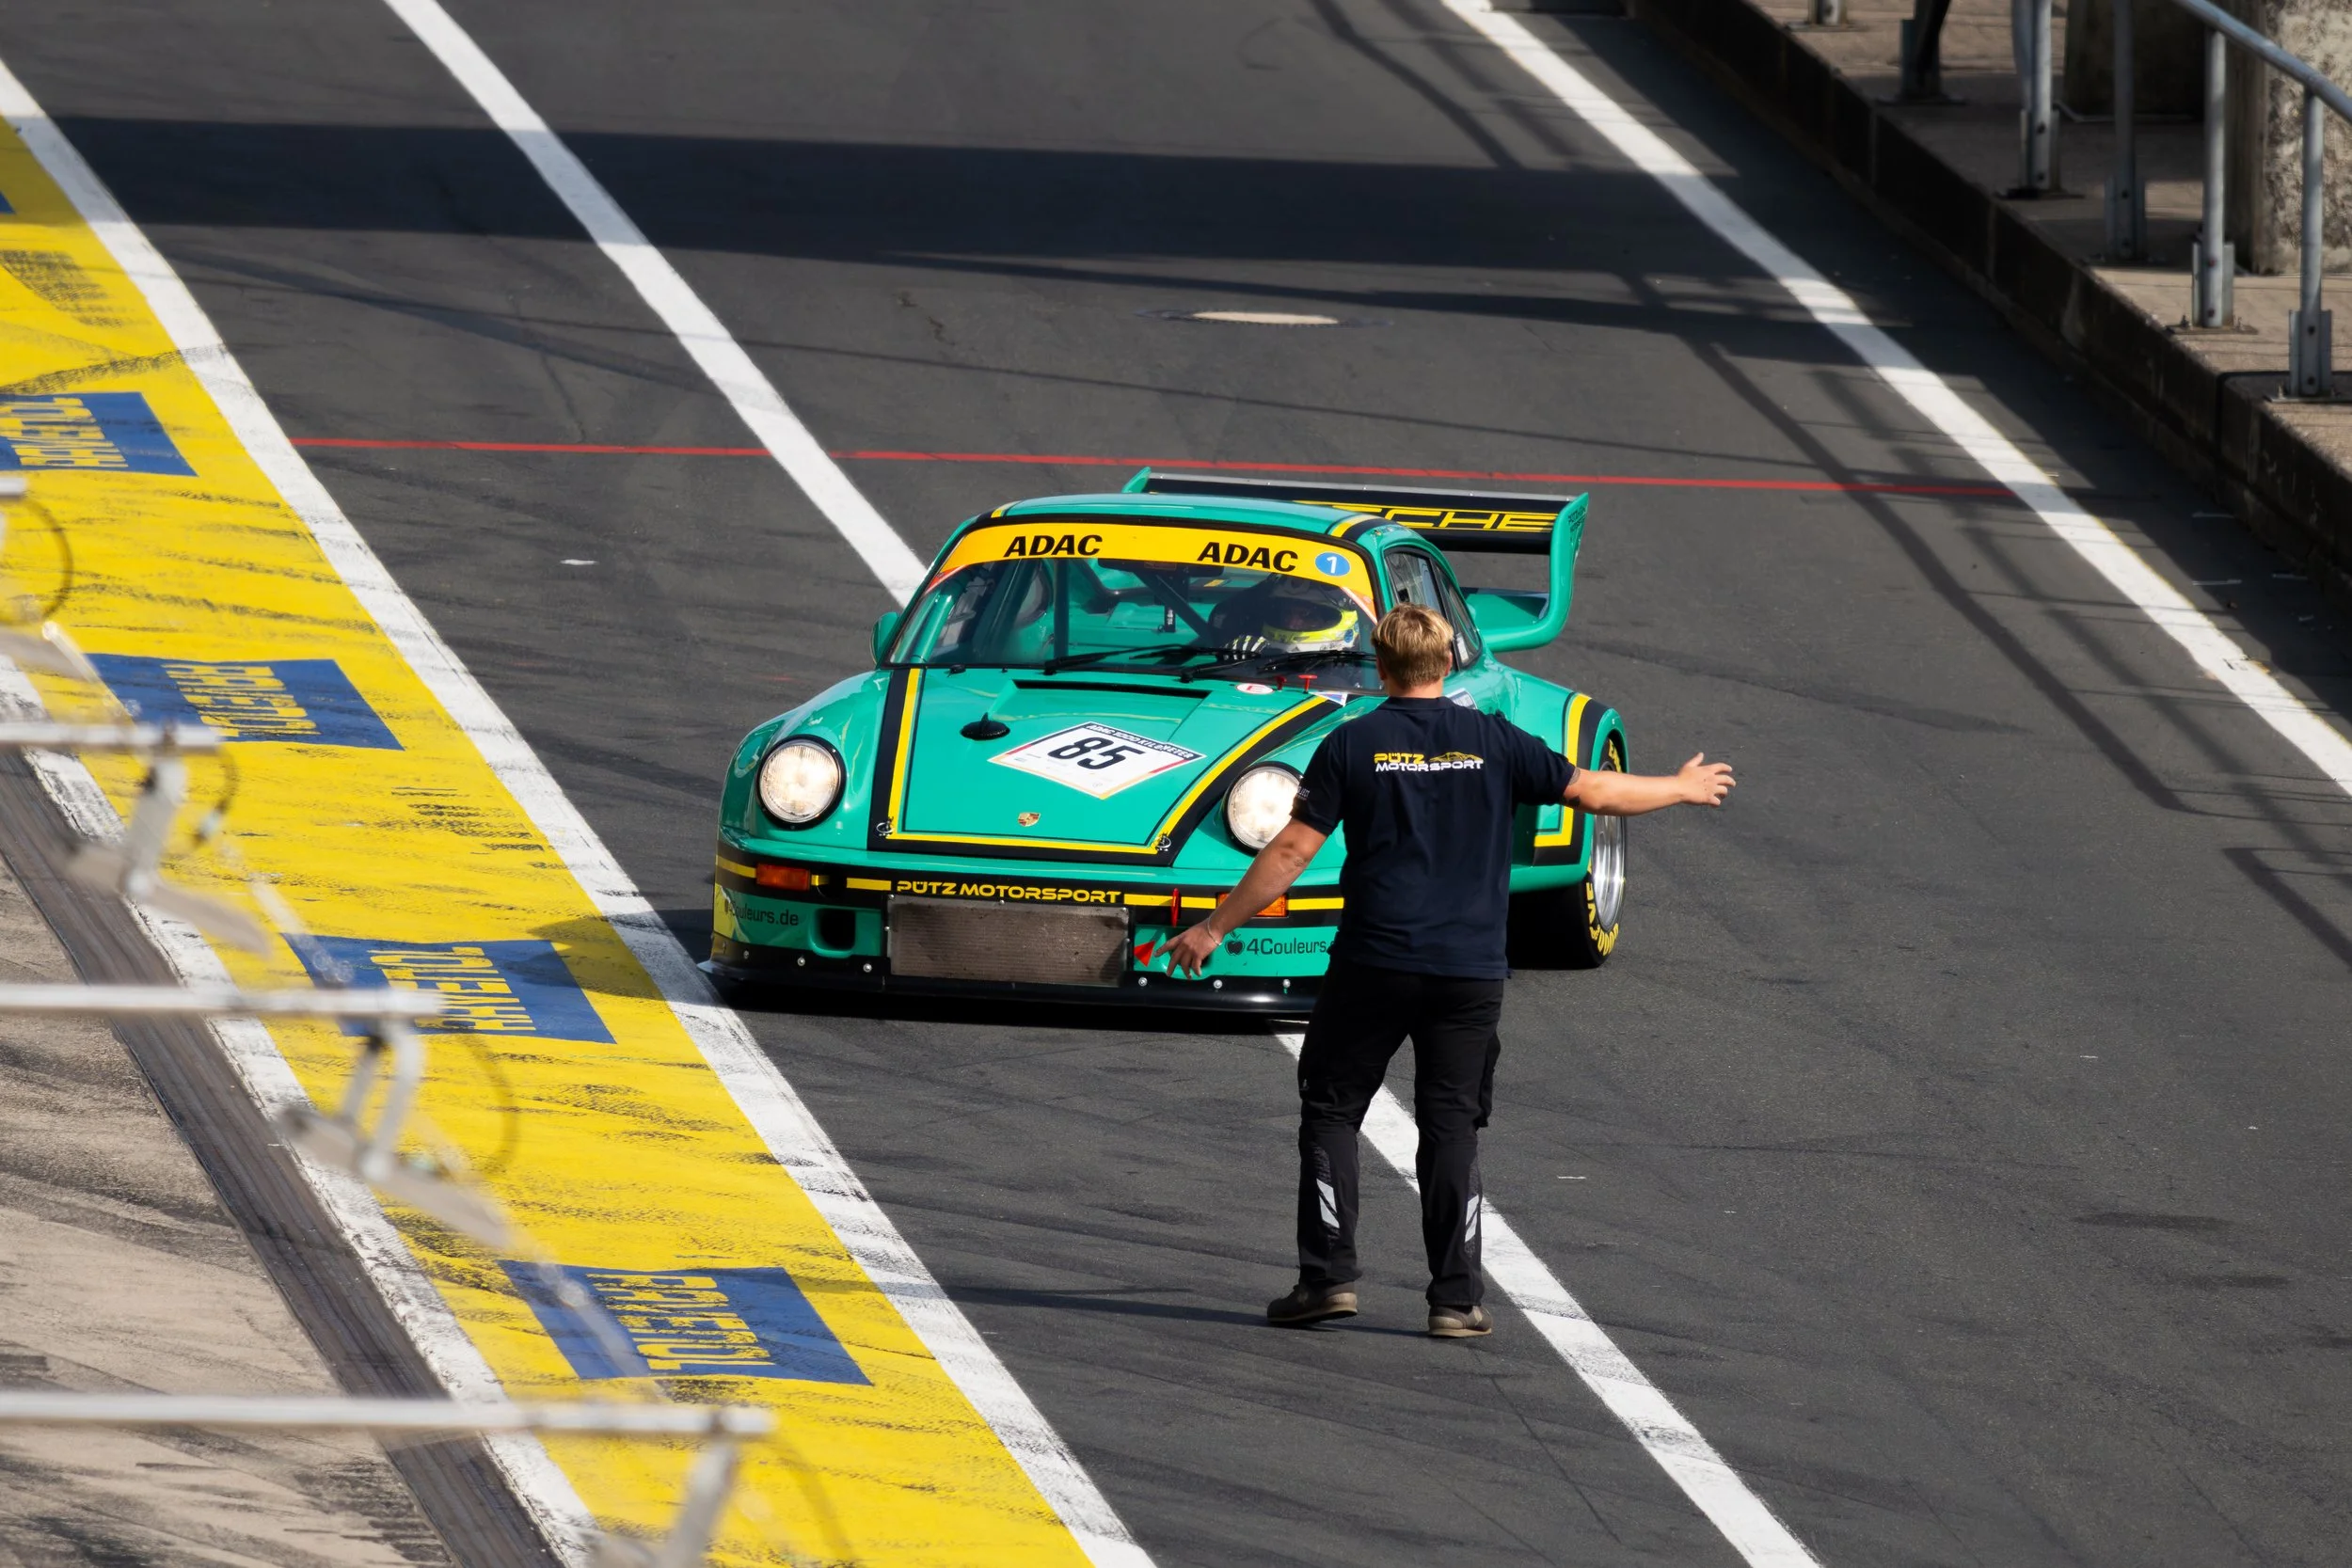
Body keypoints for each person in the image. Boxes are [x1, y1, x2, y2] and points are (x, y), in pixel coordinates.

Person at [1162, 603, 1734, 1338]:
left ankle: (1328, 1280)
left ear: (1383, 664)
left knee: (1333, 1112)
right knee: (1451, 1126)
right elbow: (1594, 791)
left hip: (1373, 961)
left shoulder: (1353, 743)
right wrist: (1679, 787)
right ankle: (1455, 1299)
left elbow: (1290, 852)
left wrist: (1213, 927)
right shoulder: (1494, 739)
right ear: (1446, 663)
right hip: (1468, 971)